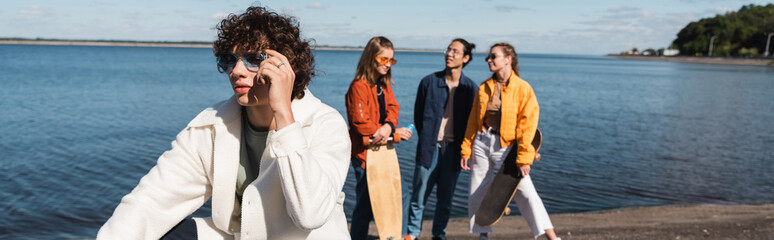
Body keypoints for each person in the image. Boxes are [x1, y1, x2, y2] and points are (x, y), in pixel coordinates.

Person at [97, 6, 352, 239]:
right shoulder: (210, 126)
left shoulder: (325, 124)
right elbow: (151, 201)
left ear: (286, 67)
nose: (237, 71)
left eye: (253, 58)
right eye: (229, 60)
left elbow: (311, 214)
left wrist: (283, 113)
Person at [459, 43, 560, 240]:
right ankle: (482, 236)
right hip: (481, 141)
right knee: (477, 190)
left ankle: (552, 237)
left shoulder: (523, 89)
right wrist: (465, 149)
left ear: (508, 59)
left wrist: (524, 157)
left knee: (526, 192)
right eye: (488, 57)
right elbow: (473, 119)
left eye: (493, 56)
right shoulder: (485, 87)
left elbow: (528, 125)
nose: (489, 60)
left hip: (506, 145)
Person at [403, 39, 478, 240]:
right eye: (448, 50)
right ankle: (412, 233)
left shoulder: (470, 88)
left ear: (466, 58)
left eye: (455, 51)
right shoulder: (428, 82)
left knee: (445, 199)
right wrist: (428, 138)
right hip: (429, 147)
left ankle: (439, 234)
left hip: (454, 151)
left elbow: (473, 123)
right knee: (419, 196)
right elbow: (419, 117)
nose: (449, 54)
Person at [345, 36, 413, 240]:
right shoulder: (358, 86)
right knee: (365, 205)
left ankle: (398, 235)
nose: (388, 64)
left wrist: (388, 126)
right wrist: (394, 134)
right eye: (383, 59)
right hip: (364, 156)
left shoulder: (383, 84)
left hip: (384, 153)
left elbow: (393, 107)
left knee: (401, 194)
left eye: (391, 60)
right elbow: (361, 125)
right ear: (370, 58)